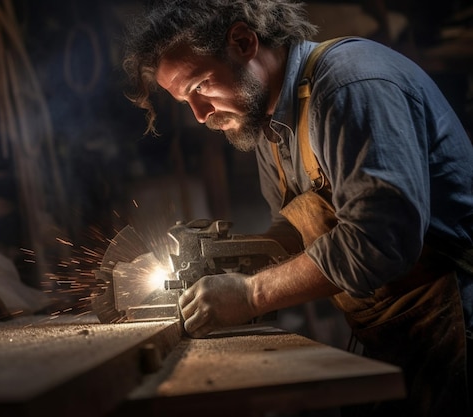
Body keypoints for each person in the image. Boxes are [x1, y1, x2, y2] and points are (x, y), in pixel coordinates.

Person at [121, 0, 473, 416]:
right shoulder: (270, 125)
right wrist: (219, 260)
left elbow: (379, 241)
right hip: (397, 338)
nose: (199, 115)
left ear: (243, 41)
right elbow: (295, 233)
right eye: (186, 102)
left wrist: (251, 293)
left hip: (460, 324)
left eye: (200, 87)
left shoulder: (348, 86)